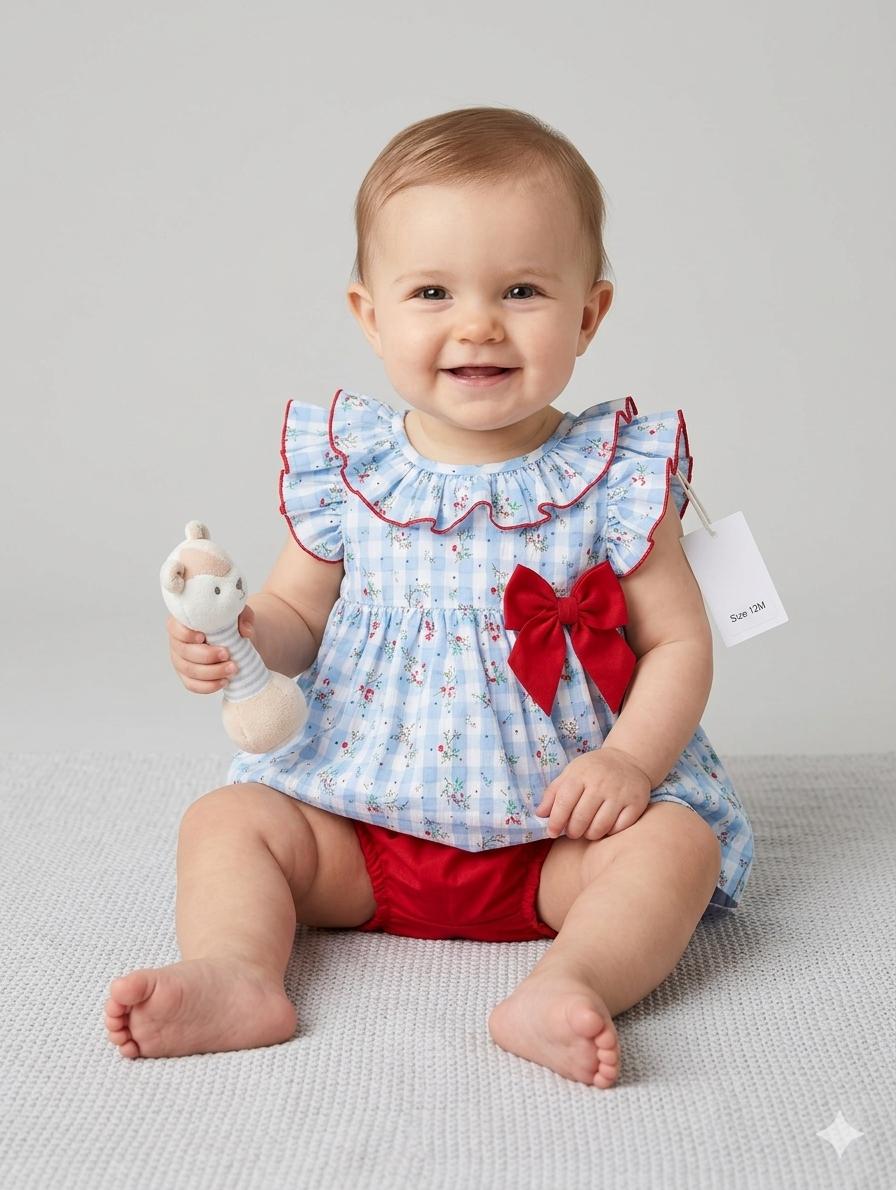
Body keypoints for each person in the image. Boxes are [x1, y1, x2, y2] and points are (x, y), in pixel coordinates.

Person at [104, 106, 754, 1088]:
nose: (477, 323)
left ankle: (567, 981)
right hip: (360, 826)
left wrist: (627, 761)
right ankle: (238, 971)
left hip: (557, 839)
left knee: (676, 846)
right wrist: (238, 637)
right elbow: (297, 616)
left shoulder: (614, 475)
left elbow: (677, 643)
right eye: (432, 291)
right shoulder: (353, 469)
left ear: (588, 314)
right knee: (225, 821)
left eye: (522, 290)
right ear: (371, 315)